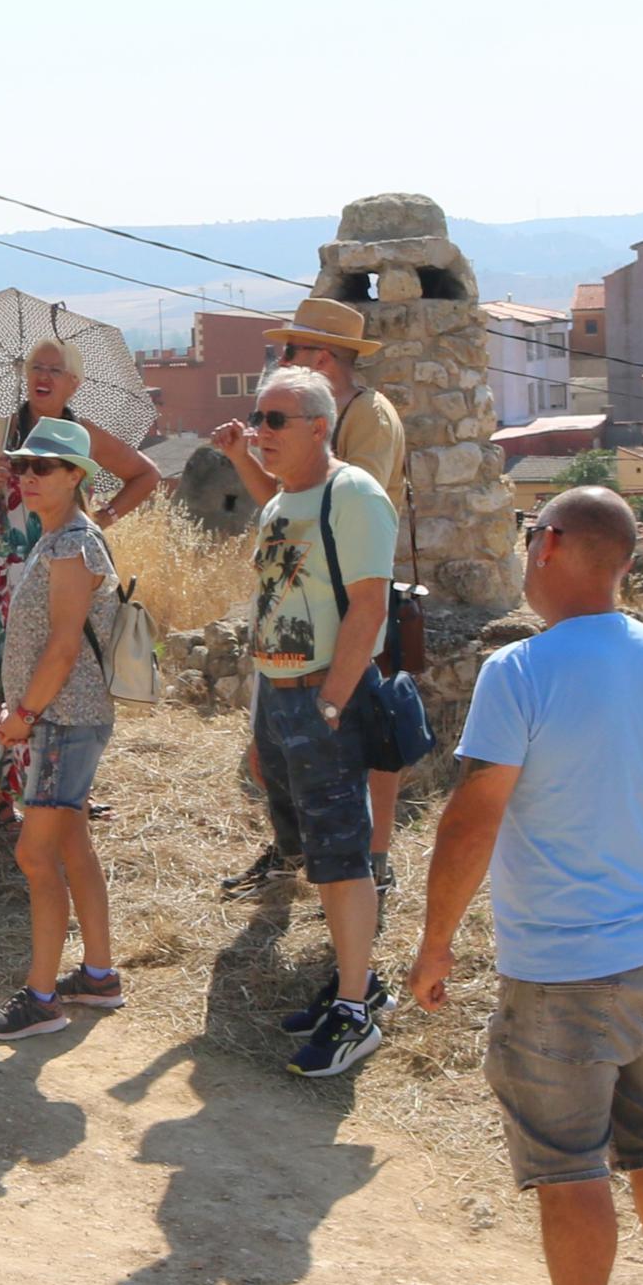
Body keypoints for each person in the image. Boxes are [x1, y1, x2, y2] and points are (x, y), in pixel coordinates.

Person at [403, 486, 643, 1285]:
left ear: (548, 547)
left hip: (562, 967)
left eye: (526, 536)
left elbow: (470, 815)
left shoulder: (519, 669)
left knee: (568, 1164)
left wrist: (435, 937)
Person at [234, 365, 403, 1079]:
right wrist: (260, 724)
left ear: (316, 426)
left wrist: (331, 702)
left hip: (322, 695)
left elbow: (369, 606)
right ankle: (354, 983)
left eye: (275, 420)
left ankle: (355, 1012)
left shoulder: (350, 493)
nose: (258, 432)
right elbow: (271, 609)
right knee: (315, 851)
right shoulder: (280, 505)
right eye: (256, 417)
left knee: (340, 856)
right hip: (281, 696)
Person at [225, 299, 410, 896]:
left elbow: (354, 509)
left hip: (352, 599)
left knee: (363, 746)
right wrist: (244, 457)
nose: (282, 360)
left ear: (322, 356)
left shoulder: (370, 417)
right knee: (299, 765)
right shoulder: (311, 419)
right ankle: (298, 859)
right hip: (306, 608)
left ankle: (370, 866)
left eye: (291, 350)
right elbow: (284, 505)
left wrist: (329, 700)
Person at [0, 335, 160, 829]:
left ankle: (67, 792)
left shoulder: (81, 436)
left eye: (55, 370)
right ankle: (3, 796)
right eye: (35, 367)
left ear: (74, 383)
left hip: (65, 569)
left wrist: (102, 518)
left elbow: (145, 475)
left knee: (63, 677)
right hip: (1, 581)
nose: (43, 377)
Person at [0, 419, 128, 1041]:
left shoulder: (72, 545)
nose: (27, 476)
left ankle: (41, 999)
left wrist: (24, 716)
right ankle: (97, 976)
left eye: (43, 467)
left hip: (63, 718)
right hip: (64, 718)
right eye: (22, 466)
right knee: (70, 848)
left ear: (75, 477)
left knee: (35, 854)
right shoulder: (57, 537)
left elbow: (63, 648)